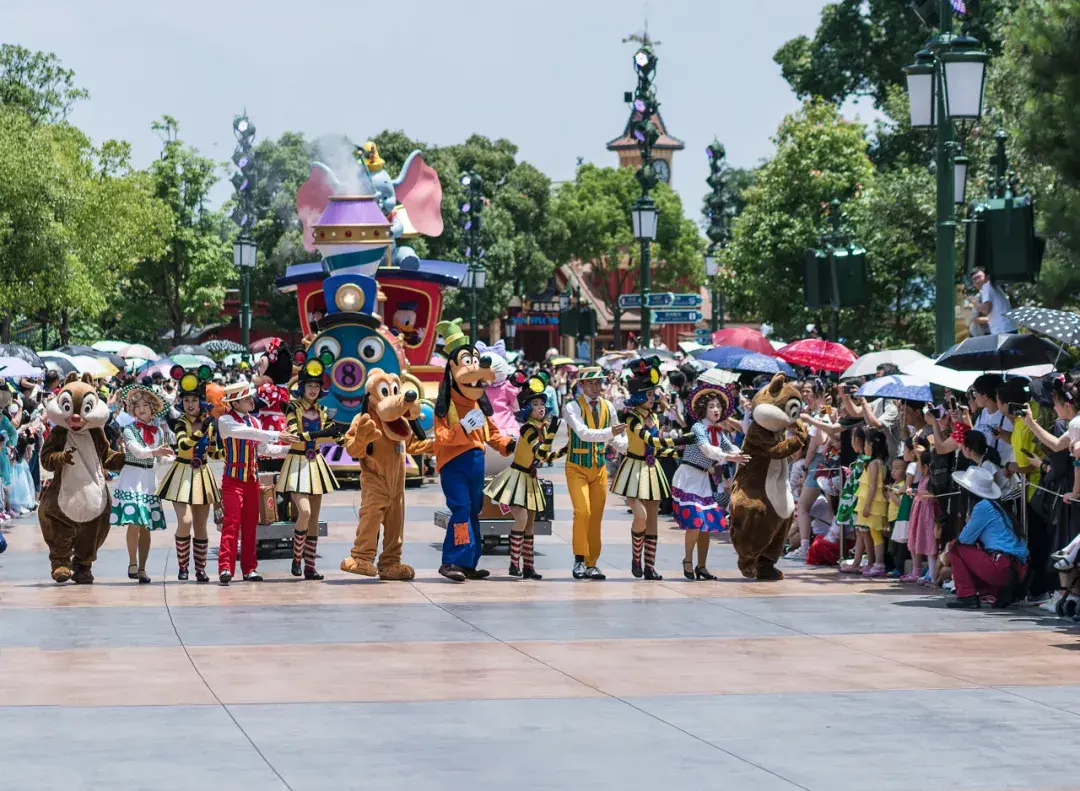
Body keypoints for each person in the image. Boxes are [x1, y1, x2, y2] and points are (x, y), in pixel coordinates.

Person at [610, 359, 689, 580]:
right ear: (639, 396)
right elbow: (647, 439)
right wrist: (680, 441)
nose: (653, 397)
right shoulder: (631, 417)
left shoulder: (654, 416)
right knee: (641, 516)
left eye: (653, 393)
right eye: (649, 394)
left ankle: (649, 566)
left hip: (652, 469)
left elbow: (657, 450)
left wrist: (679, 453)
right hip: (633, 470)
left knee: (652, 519)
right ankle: (636, 559)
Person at [485, 377, 567, 579]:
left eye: (541, 403)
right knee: (521, 519)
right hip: (517, 478)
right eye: (535, 404)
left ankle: (529, 566)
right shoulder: (528, 429)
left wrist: (565, 450)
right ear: (527, 408)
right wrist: (551, 436)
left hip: (530, 478)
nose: (540, 407)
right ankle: (514, 564)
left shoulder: (542, 428)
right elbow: (540, 453)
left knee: (530, 523)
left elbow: (545, 457)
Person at [216, 381, 296, 584]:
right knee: (231, 524)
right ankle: (225, 567)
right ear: (235, 403)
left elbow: (263, 450)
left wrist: (289, 450)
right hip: (233, 480)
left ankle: (250, 568)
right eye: (247, 398)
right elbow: (246, 433)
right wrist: (277, 434)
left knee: (251, 525)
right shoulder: (226, 420)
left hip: (252, 480)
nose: (252, 401)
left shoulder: (256, 422)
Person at [671, 381, 747, 580]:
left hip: (704, 479)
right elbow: (707, 450)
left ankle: (701, 566)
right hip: (688, 477)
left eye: (719, 406)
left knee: (706, 525)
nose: (716, 409)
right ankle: (687, 560)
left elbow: (734, 449)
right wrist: (731, 458)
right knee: (695, 522)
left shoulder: (719, 432)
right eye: (712, 406)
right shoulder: (698, 428)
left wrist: (749, 455)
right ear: (703, 409)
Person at [276, 360, 341, 581]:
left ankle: (310, 566)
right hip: (296, 463)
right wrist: (322, 434)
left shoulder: (324, 410)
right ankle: (296, 558)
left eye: (316, 386)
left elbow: (337, 437)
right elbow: (294, 433)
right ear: (302, 387)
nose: (313, 390)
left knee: (314, 519)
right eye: (309, 385)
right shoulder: (292, 408)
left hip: (316, 466)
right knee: (304, 512)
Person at [157, 367, 220, 583]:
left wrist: (228, 446)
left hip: (202, 474)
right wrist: (203, 431)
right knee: (185, 521)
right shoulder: (181, 423)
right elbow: (183, 443)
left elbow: (213, 452)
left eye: (194, 399)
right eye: (186, 400)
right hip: (182, 475)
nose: (190, 404)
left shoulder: (210, 424)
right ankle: (182, 566)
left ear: (202, 401)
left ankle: (200, 569)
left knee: (201, 526)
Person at [562, 366, 626, 580]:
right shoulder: (571, 407)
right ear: (581, 384)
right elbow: (584, 433)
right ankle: (579, 559)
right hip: (576, 467)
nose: (596, 387)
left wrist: (631, 447)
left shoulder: (608, 406)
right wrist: (611, 433)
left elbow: (617, 437)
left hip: (598, 468)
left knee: (596, 517)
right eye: (592, 383)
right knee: (582, 512)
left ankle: (592, 564)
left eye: (599, 382)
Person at [109, 384, 175, 584]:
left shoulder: (158, 432)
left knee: (146, 525)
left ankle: (143, 568)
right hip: (132, 478)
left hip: (149, 480)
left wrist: (172, 457)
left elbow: (161, 460)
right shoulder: (129, 429)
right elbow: (136, 451)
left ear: (153, 408)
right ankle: (132, 562)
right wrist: (156, 453)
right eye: (137, 406)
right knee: (136, 522)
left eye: (146, 405)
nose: (141, 409)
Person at [946, 466, 1029, 608]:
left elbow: (964, 539)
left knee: (955, 547)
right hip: (1018, 569)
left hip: (1001, 566)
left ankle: (966, 595)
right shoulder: (999, 506)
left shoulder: (983, 507)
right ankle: (994, 591)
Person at [853, 428, 889, 578]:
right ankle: (874, 562)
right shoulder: (878, 462)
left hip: (873, 504)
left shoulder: (874, 463)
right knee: (874, 533)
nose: (865, 447)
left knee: (876, 533)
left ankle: (879, 563)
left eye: (867, 443)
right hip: (873, 503)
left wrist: (867, 504)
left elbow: (873, 485)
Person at [968, 267, 1017, 335]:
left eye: (978, 277)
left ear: (987, 277)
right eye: (974, 279)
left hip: (1002, 330)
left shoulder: (986, 286)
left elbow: (986, 310)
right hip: (1008, 328)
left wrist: (973, 301)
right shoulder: (994, 287)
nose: (977, 281)